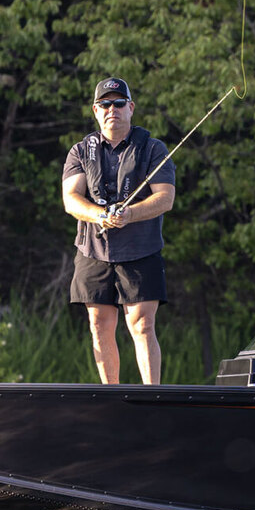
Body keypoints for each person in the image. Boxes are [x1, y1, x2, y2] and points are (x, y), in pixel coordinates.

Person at [61, 78, 176, 383]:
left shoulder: (152, 148)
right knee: (99, 324)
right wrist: (101, 215)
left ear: (131, 108)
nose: (112, 110)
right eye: (105, 104)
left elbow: (165, 197)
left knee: (141, 324)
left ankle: (152, 395)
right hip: (93, 250)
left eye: (119, 103)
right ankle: (111, 394)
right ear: (96, 111)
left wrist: (130, 214)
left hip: (141, 250)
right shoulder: (80, 150)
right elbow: (71, 199)